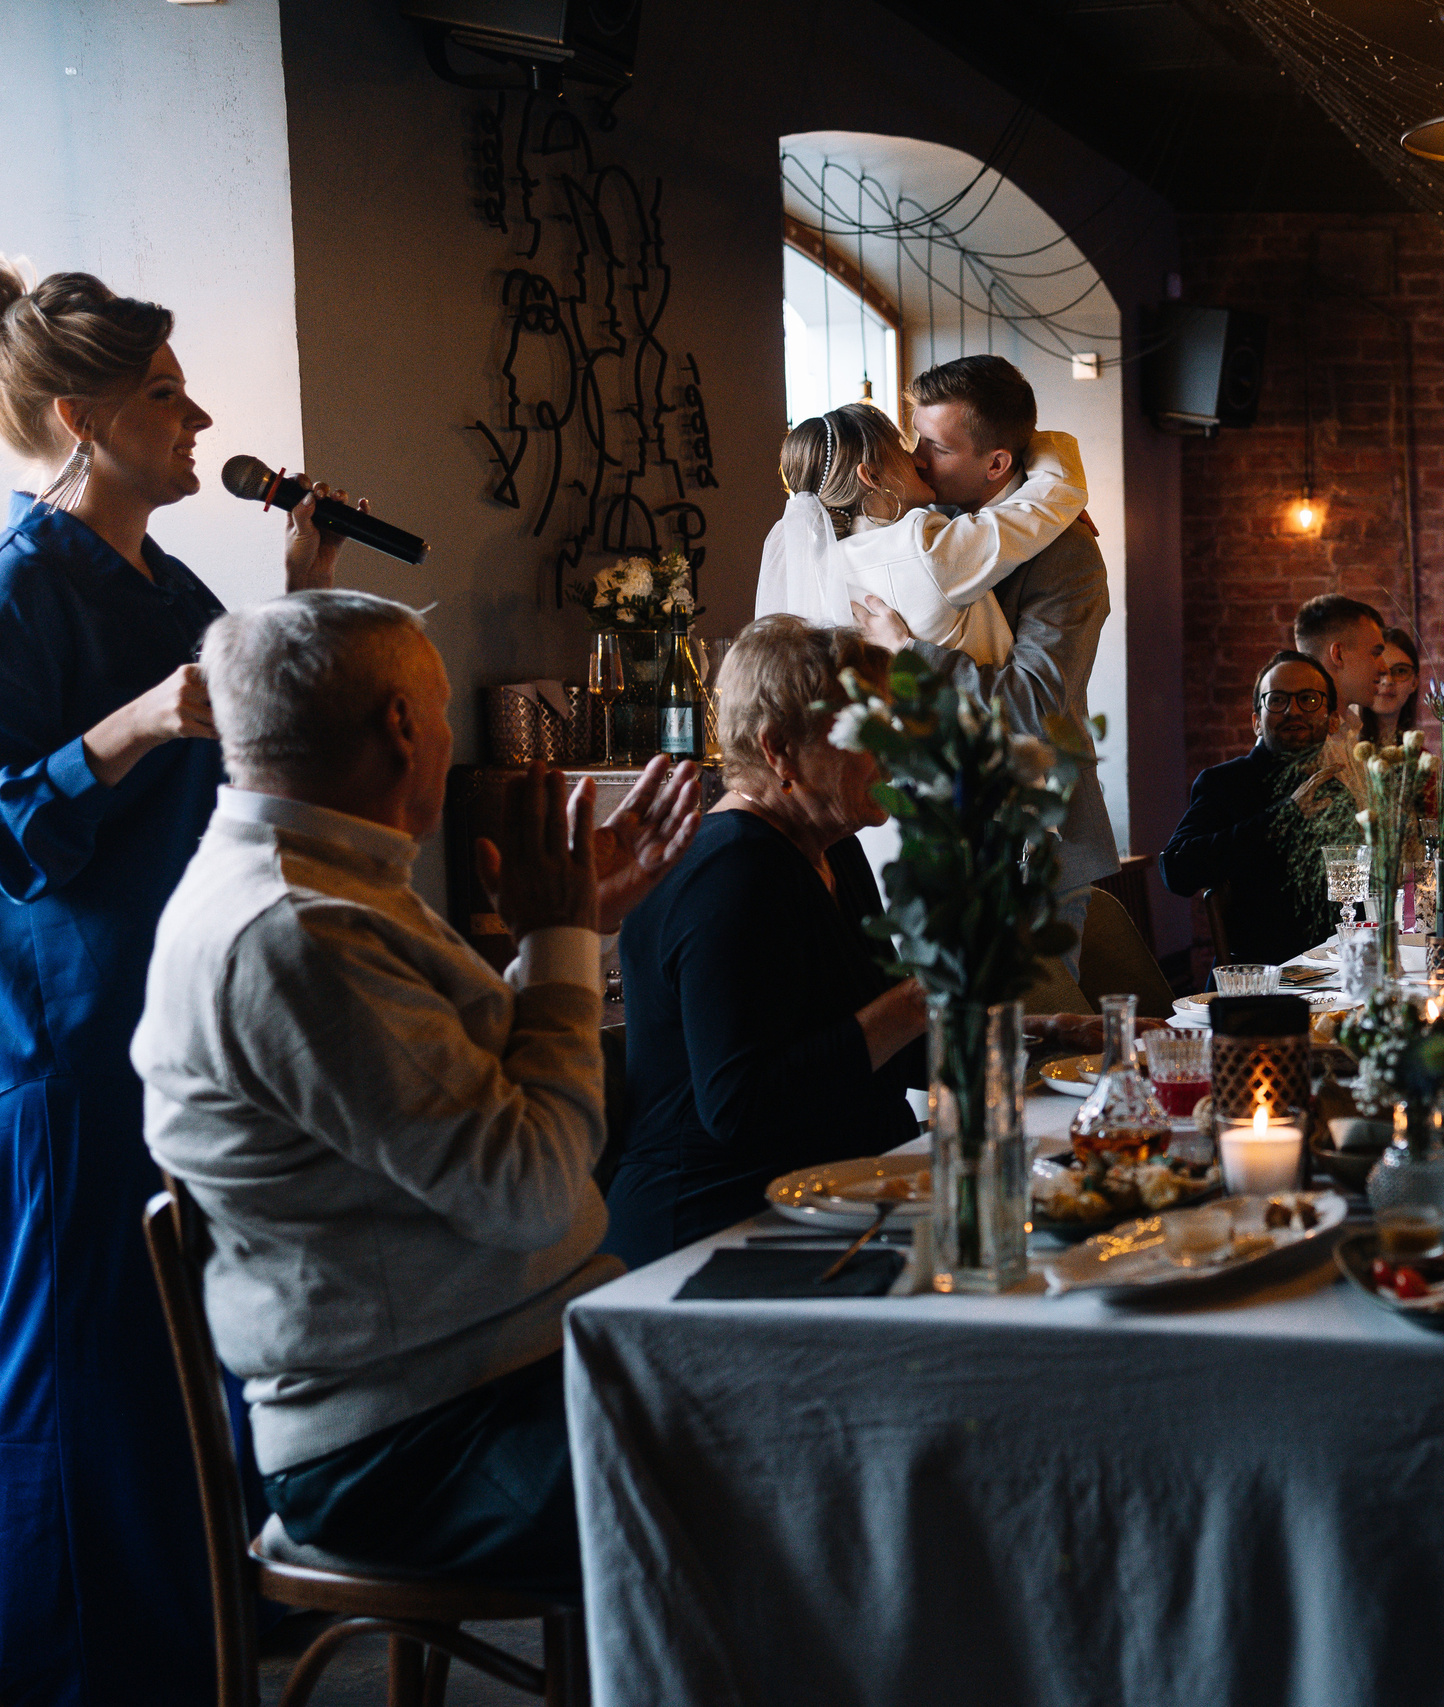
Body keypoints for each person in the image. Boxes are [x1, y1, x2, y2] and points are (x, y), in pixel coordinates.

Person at [135, 590, 693, 1599]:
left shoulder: (331, 884)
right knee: (799, 1463)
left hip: (493, 1377)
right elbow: (526, 1191)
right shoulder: (294, 927)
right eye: (438, 715)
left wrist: (573, 928)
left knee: (812, 1394)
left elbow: (463, 1108)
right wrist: (559, 947)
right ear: (401, 727)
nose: (441, 737)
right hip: (410, 1444)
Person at [0, 266, 358, 1705]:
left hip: (191, 1014)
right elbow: (13, 821)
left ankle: (199, 1648)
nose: (200, 413)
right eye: (166, 392)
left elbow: (240, 753)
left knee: (182, 1357)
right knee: (81, 1366)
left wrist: (298, 601)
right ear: (82, 418)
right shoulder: (24, 587)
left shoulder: (178, 580)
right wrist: (136, 721)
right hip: (77, 1035)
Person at [604, 616, 932, 1267]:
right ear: (779, 747)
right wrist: (917, 1002)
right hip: (716, 1231)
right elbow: (740, 1107)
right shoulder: (731, 874)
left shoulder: (833, 850)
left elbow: (896, 1050)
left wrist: (1052, 1031)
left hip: (828, 1202)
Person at [848, 356, 1114, 970]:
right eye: (915, 441)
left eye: (936, 448)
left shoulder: (1067, 554)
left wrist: (907, 656)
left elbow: (1033, 703)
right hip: (934, 837)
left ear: (996, 464)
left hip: (1029, 840)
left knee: (1024, 1047)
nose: (916, 460)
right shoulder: (933, 527)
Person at [753, 400, 1091, 669]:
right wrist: (1033, 438)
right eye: (901, 448)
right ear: (871, 476)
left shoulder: (823, 567)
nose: (917, 459)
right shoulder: (921, 546)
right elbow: (1053, 497)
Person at [1159, 651, 1361, 967]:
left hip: (1332, 975)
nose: (1292, 710)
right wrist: (1283, 817)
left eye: (1308, 699)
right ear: (1256, 722)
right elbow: (1175, 869)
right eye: (1277, 700)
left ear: (1332, 719)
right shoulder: (1224, 782)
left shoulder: (1335, 790)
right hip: (1258, 984)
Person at [1293, 592, 1388, 744]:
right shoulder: (1303, 741)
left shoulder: (1348, 730)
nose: (1384, 669)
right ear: (1338, 655)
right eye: (1375, 654)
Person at [1375, 625, 1422, 741]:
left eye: (1400, 671)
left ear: (1414, 682)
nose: (1388, 681)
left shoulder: (1419, 756)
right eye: (1379, 670)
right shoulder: (1342, 749)